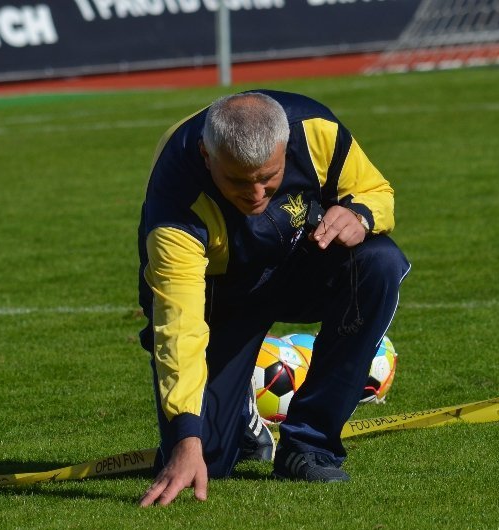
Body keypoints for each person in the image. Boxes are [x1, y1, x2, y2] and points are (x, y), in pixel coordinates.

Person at [137, 90, 410, 506]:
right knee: (206, 459)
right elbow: (179, 328)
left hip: (300, 263)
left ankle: (309, 444)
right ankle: (242, 422)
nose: (256, 193)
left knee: (379, 262)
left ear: (287, 147)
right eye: (238, 181)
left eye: (269, 176)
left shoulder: (316, 131)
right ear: (207, 156)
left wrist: (361, 215)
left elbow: (375, 190)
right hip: (221, 294)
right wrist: (185, 438)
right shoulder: (174, 204)